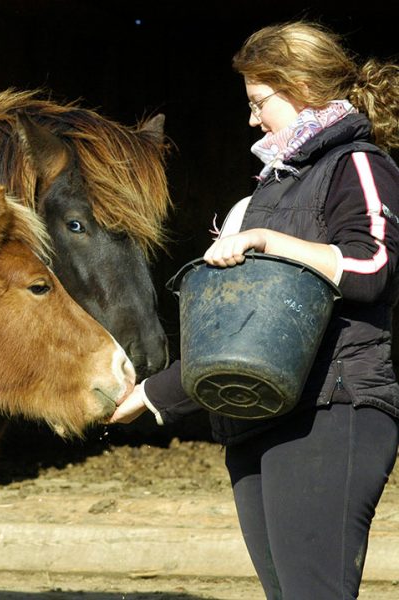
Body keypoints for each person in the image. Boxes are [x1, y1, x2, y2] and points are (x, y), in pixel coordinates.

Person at [110, 20, 399, 600]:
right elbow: (245, 334)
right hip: (257, 419)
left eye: (259, 102)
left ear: (301, 87)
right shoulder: (265, 191)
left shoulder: (358, 165)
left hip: (331, 410)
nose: (251, 119)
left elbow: (374, 269)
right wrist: (148, 395)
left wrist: (270, 242)